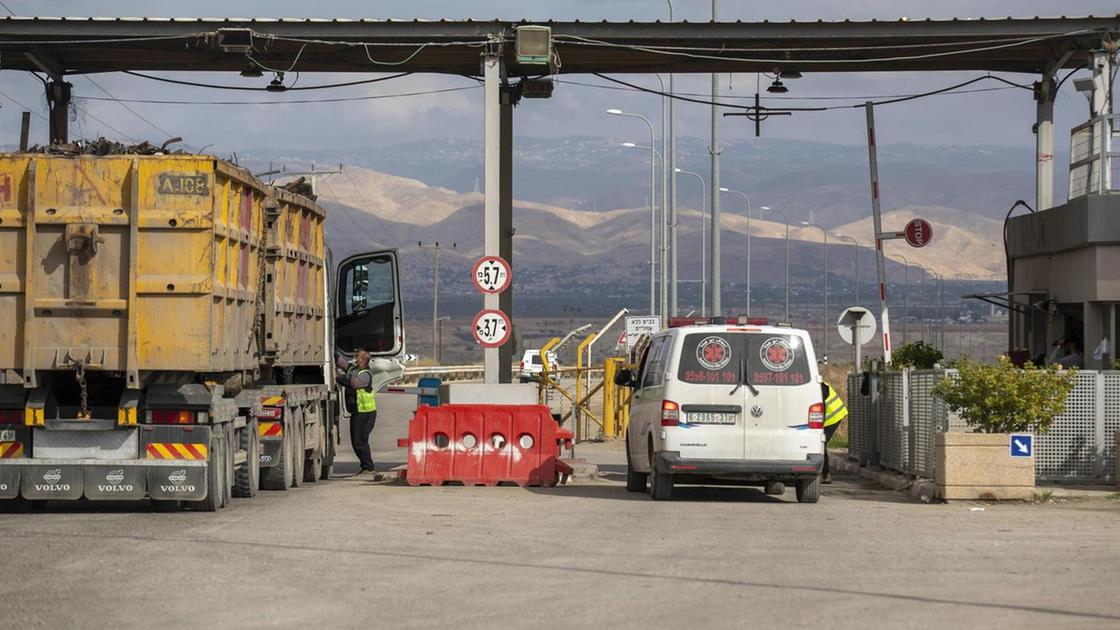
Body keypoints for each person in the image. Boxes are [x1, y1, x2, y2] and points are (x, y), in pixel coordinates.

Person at [337, 349, 378, 476]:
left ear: (362, 360)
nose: (355, 357)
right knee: (356, 440)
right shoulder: (353, 370)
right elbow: (342, 363)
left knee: (361, 440)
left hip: (365, 413)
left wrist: (339, 378)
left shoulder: (365, 374)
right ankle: (366, 466)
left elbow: (354, 383)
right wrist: (333, 351)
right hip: (357, 411)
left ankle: (368, 467)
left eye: (357, 356)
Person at [820, 380, 848, 484]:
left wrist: (818, 428)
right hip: (831, 417)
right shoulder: (819, 383)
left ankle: (825, 474)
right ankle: (824, 473)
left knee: (821, 444)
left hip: (834, 417)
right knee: (821, 444)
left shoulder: (820, 387)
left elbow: (821, 408)